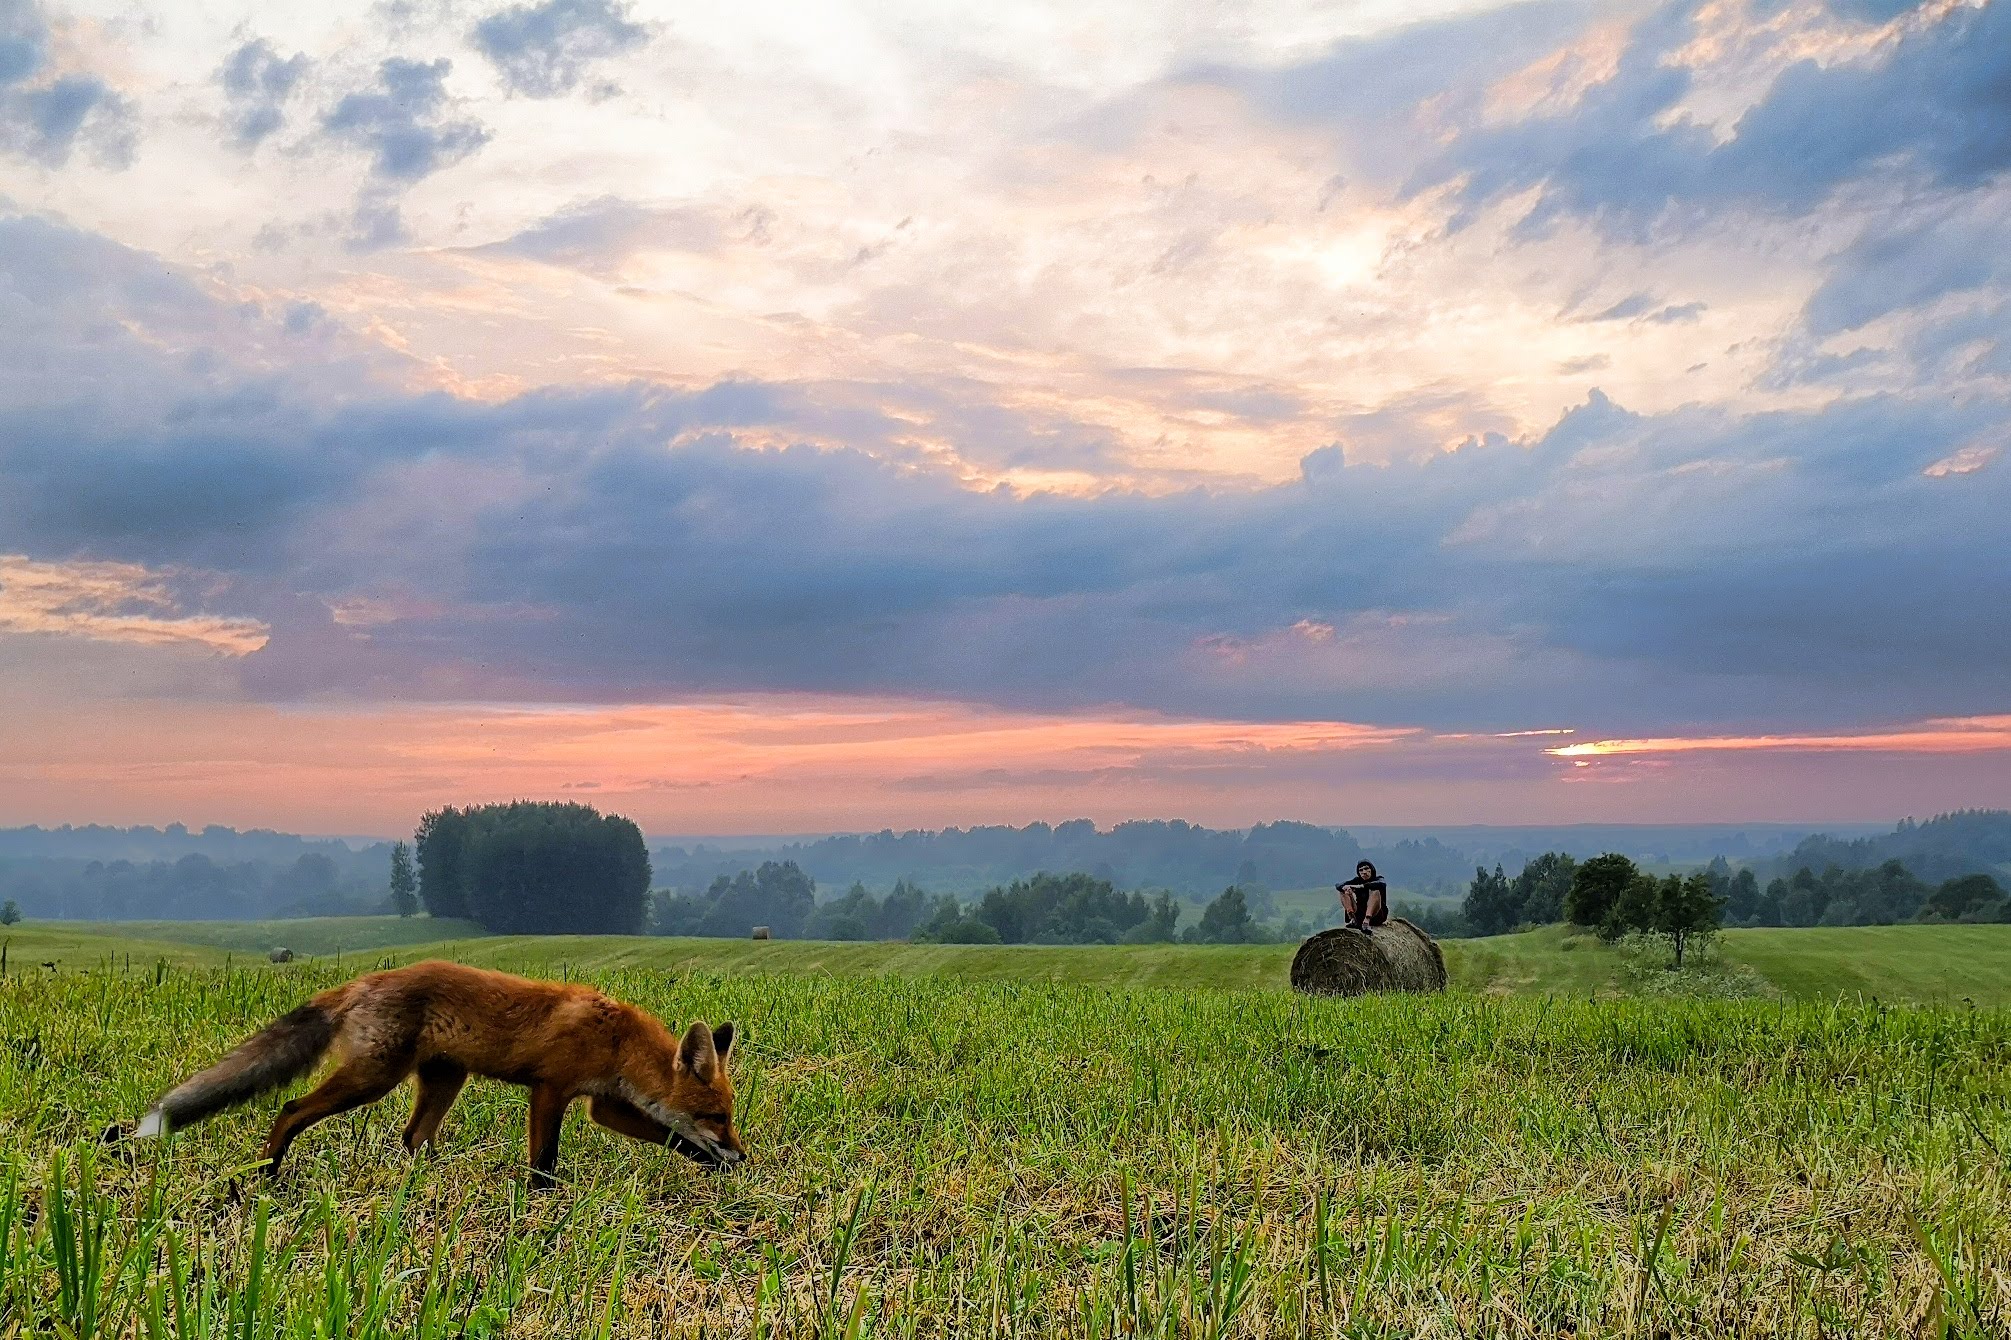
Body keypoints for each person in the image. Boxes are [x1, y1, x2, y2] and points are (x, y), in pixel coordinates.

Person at [1336, 860, 1388, 934]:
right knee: (1343, 891)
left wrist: (1360, 886)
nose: (1364, 872)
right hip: (1360, 914)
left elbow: (1382, 884)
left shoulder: (1378, 879)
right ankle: (1352, 918)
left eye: (1366, 869)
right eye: (1361, 870)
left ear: (1371, 870)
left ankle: (1367, 921)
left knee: (1375, 891)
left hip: (1376, 915)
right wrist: (1346, 888)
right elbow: (1338, 885)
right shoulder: (1357, 880)